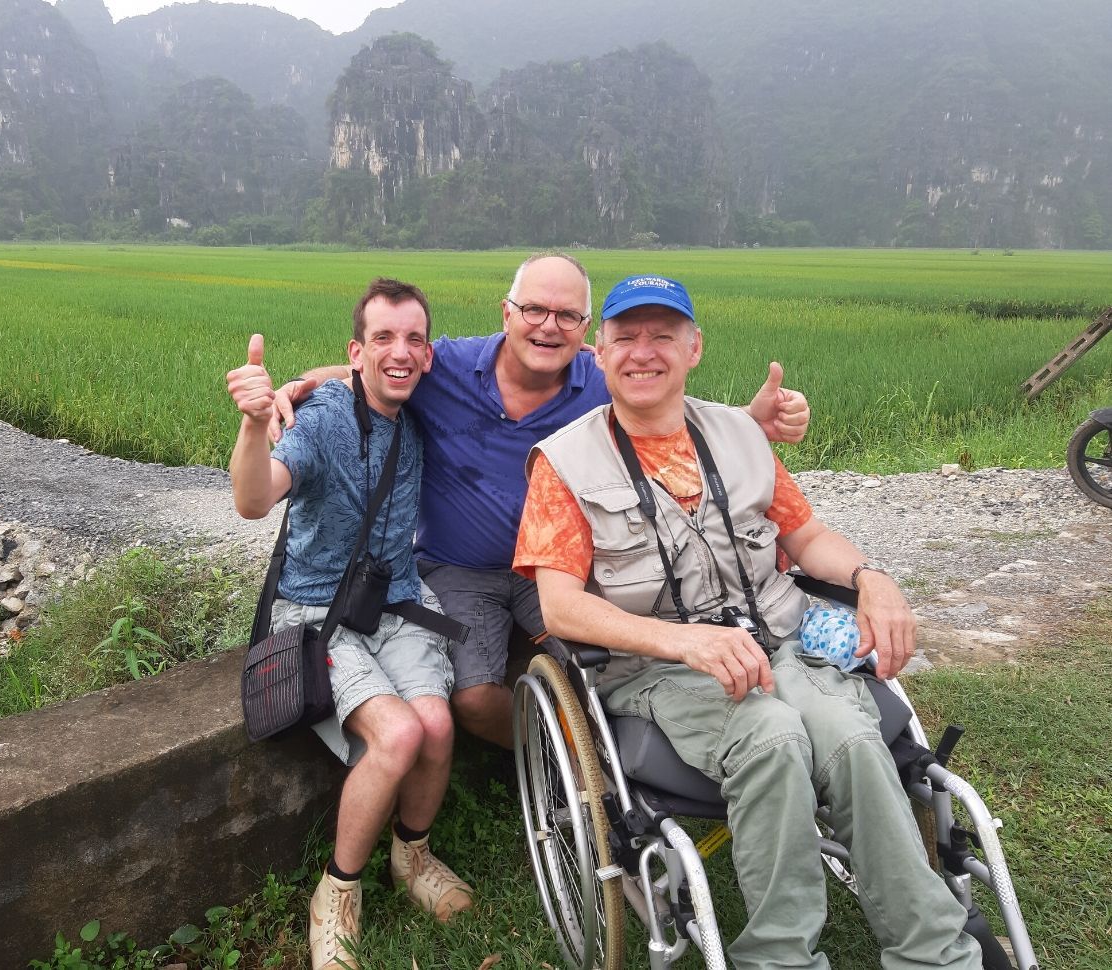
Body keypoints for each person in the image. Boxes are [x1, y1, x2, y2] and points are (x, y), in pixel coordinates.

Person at [513, 274, 982, 969]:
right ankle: (779, 957)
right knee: (773, 737)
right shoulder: (564, 463)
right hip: (660, 669)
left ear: (694, 348)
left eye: (663, 335)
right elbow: (560, 605)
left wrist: (871, 578)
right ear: (599, 353)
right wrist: (685, 641)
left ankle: (934, 950)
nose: (644, 352)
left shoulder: (740, 435)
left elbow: (806, 536)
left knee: (853, 740)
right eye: (625, 337)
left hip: (781, 640)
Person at [272, 253, 811, 748]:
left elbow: (665, 402)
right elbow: (377, 369)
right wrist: (299, 385)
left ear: (586, 330)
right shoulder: (450, 367)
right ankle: (559, 761)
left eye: (567, 316)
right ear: (507, 313)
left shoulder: (600, 379)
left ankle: (628, 753)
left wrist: (748, 419)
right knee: (473, 697)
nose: (549, 326)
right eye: (534, 309)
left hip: (557, 570)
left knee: (612, 663)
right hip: (460, 569)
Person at [228, 278, 472, 970]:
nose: (401, 352)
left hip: (396, 601)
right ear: (356, 350)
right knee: (397, 735)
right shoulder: (326, 419)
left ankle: (412, 854)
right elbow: (254, 499)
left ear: (428, 354)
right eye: (383, 338)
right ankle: (337, 890)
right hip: (318, 612)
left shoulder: (420, 404)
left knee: (437, 725)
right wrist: (254, 423)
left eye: (414, 339)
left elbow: (488, 365)